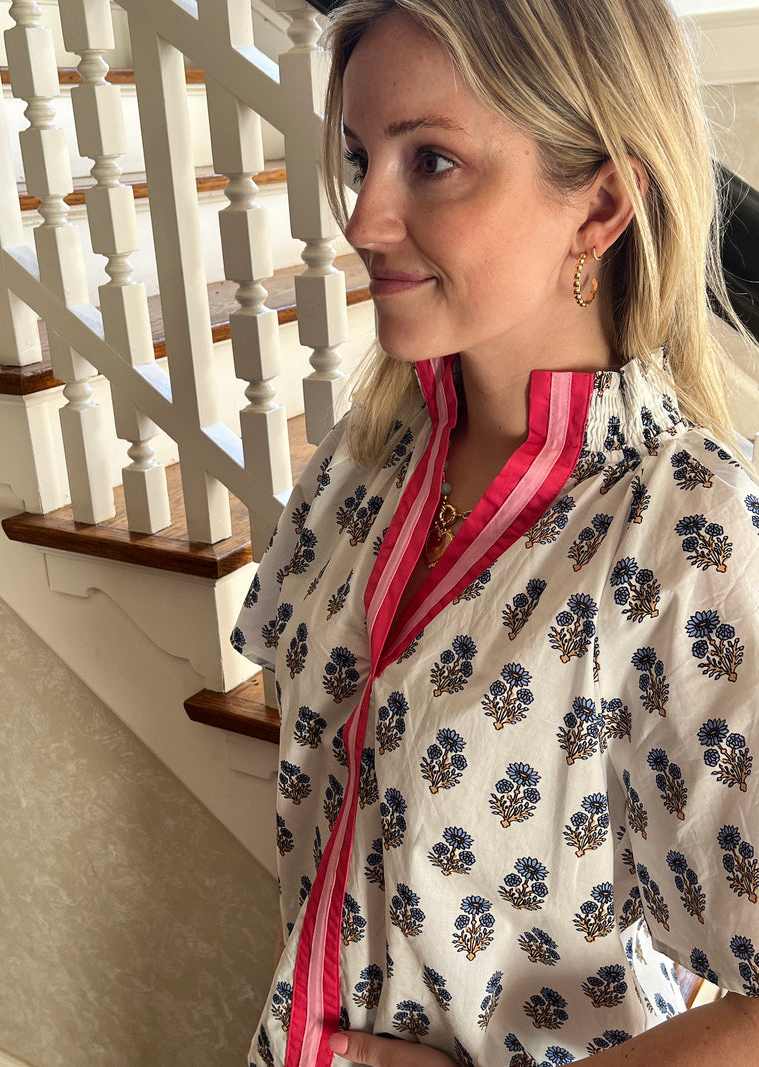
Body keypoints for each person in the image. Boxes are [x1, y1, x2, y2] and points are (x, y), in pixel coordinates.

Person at [232, 1, 759, 1063]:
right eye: (359, 157)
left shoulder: (683, 532)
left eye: (431, 161)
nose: (363, 218)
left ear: (599, 204)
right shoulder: (366, 458)